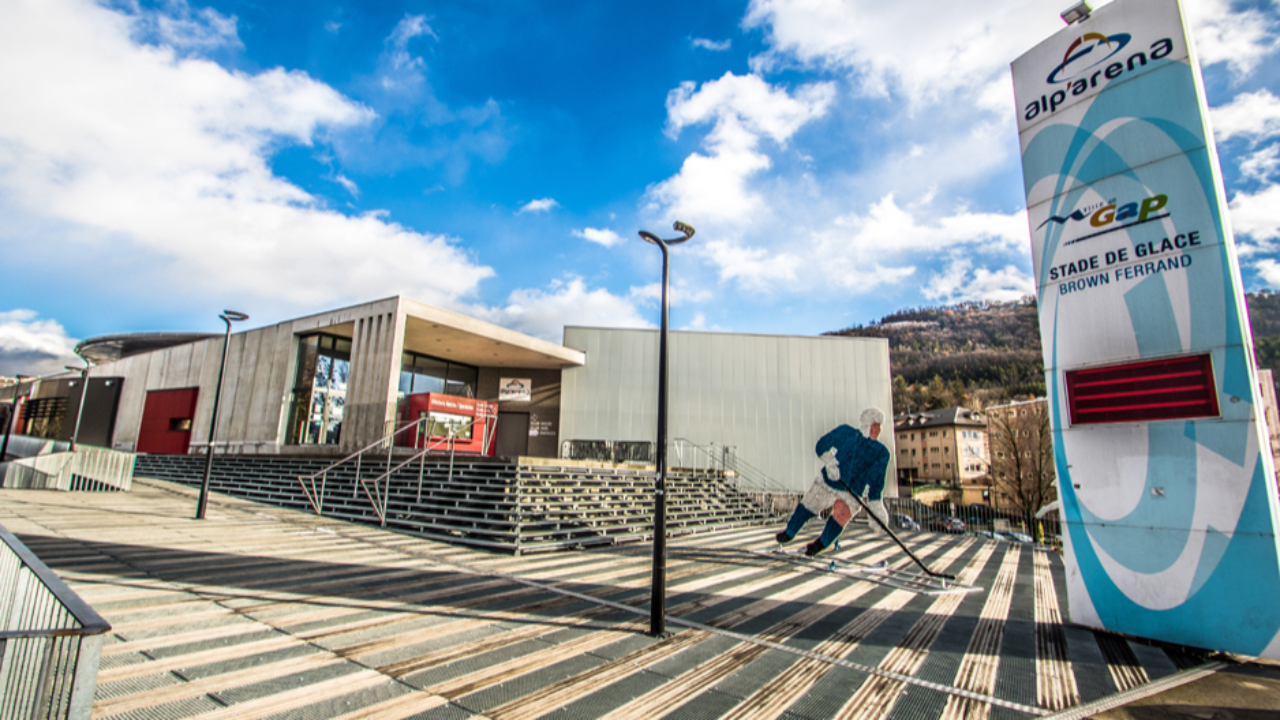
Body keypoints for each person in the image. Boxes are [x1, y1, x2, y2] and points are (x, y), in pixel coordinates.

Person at [776, 407, 891, 556]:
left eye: (879, 427)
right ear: (869, 425)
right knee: (809, 506)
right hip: (830, 482)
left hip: (853, 491)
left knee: (842, 514)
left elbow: (876, 482)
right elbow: (821, 445)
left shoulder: (881, 452)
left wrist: (876, 508)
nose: (879, 430)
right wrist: (831, 463)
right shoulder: (846, 433)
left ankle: (821, 544)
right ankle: (790, 532)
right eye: (876, 426)